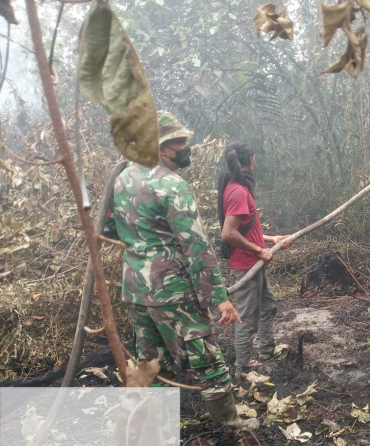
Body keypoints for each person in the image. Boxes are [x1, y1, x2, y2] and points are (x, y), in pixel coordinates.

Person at [104, 111, 241, 426]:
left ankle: (156, 434)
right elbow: (196, 245)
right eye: (178, 142)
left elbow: (110, 229)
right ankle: (231, 435)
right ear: (160, 146)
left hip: (136, 291)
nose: (185, 147)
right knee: (209, 364)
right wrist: (218, 297)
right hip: (172, 291)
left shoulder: (123, 178)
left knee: (153, 364)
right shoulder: (170, 183)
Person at [218, 141, 292, 380]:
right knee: (247, 319)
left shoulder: (237, 186)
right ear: (249, 159)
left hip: (254, 260)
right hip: (247, 264)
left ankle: (267, 351)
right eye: (254, 156)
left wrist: (269, 239)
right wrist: (259, 251)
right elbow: (228, 233)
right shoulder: (238, 191)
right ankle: (243, 370)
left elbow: (246, 228)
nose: (256, 160)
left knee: (268, 305)